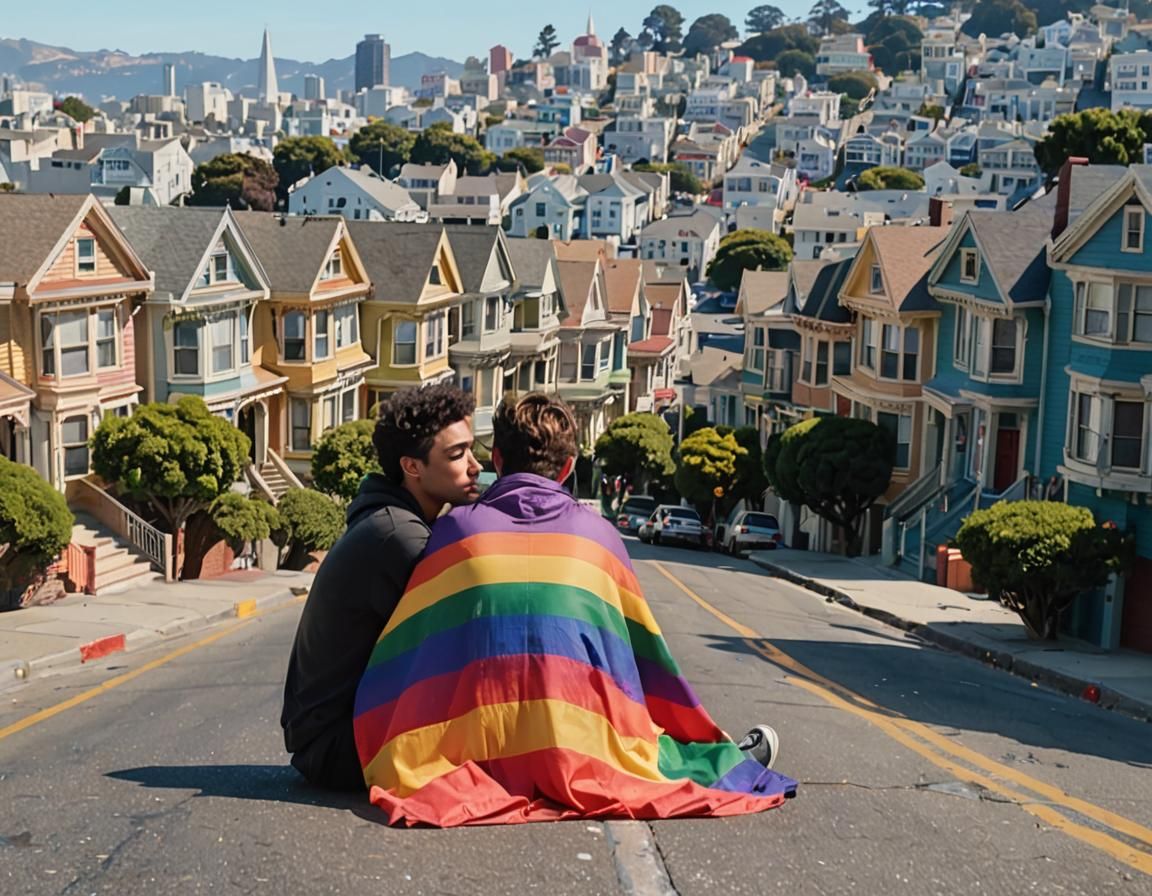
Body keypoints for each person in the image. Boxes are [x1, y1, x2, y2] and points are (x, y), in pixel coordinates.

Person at [353, 393, 796, 826]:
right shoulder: (600, 537)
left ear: (498, 461)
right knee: (651, 751)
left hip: (477, 751)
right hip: (581, 750)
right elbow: (646, 662)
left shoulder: (454, 530)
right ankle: (729, 757)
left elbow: (409, 648)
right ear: (567, 469)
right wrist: (697, 735)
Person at [281, 384, 481, 791]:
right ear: (412, 466)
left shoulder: (391, 521)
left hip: (332, 739)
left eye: (471, 449)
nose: (474, 465)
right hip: (339, 748)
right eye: (456, 454)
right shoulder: (398, 537)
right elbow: (454, 642)